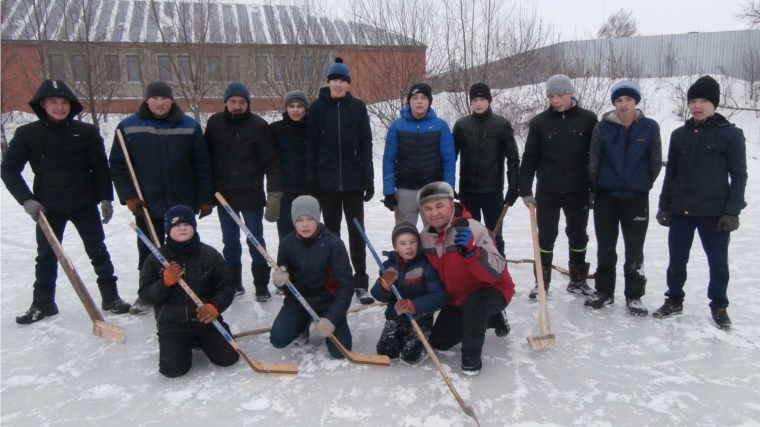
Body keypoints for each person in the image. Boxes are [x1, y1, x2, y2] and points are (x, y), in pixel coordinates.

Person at [1, 79, 131, 324]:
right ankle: (43, 303)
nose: (60, 107)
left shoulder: (86, 133)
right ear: (43, 104)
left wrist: (105, 198)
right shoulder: (28, 134)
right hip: (47, 206)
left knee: (97, 250)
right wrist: (27, 200)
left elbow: (100, 168)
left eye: (64, 102)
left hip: (83, 202)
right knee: (46, 255)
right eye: (53, 102)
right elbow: (8, 170)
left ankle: (110, 297)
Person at [109, 81, 214, 315]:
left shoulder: (189, 126)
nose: (159, 102)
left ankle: (191, 287)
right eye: (154, 98)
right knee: (149, 249)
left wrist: (205, 197)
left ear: (172, 100)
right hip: (148, 202)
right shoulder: (128, 126)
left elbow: (202, 165)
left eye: (164, 98)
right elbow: (118, 165)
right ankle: (146, 293)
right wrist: (128, 196)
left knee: (186, 246)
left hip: (182, 201)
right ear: (147, 100)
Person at [654, 76, 747, 330]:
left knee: (717, 262)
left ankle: (719, 305)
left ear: (714, 104)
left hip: (714, 213)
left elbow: (739, 175)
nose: (697, 105)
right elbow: (671, 172)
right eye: (693, 100)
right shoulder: (679, 135)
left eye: (703, 100)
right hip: (681, 210)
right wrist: (664, 205)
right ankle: (673, 299)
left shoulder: (731, 135)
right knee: (676, 260)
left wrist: (732, 212)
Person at [418, 182, 514, 375]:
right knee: (439, 342)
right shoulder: (425, 237)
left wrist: (472, 253)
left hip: (492, 287)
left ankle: (471, 360)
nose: (434, 213)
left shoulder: (474, 229)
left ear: (452, 205)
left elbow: (496, 269)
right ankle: (492, 318)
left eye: (439, 206)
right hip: (457, 296)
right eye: (428, 209)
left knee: (475, 305)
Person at [518, 74, 598, 299]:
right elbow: (530, 158)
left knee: (578, 234)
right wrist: (525, 190)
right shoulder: (540, 122)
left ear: (571, 93)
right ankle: (541, 282)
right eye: (551, 96)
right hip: (548, 191)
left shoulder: (588, 120)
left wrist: (594, 189)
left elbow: (596, 157)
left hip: (578, 190)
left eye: (560, 94)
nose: (555, 100)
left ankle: (578, 280)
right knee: (546, 236)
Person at [586, 80, 662, 315]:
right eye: (619, 100)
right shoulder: (602, 127)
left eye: (628, 99)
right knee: (606, 247)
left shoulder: (649, 127)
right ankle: (604, 291)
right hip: (607, 197)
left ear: (636, 101)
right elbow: (594, 161)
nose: (623, 104)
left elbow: (654, 162)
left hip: (636, 198)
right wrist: (595, 188)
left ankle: (634, 295)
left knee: (634, 249)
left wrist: (642, 182)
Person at [305, 57, 375, 304]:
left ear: (348, 84)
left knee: (357, 232)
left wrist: (368, 176)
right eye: (334, 80)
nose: (338, 84)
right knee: (331, 234)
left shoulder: (357, 108)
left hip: (354, 182)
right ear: (328, 82)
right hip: (327, 184)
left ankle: (361, 282)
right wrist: (313, 180)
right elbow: (310, 146)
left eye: (343, 81)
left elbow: (366, 142)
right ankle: (335, 281)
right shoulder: (317, 108)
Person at [138, 205, 238, 378]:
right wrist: (165, 282)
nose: (182, 228)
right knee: (173, 370)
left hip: (205, 320)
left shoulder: (209, 254)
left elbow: (227, 287)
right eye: (176, 225)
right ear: (168, 229)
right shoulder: (156, 259)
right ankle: (179, 342)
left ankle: (205, 338)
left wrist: (214, 307)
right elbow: (146, 294)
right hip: (173, 324)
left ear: (194, 227)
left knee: (228, 358)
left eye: (187, 224)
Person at [205, 82, 283, 301]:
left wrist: (274, 193)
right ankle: (234, 283)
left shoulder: (258, 126)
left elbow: (271, 163)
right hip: (224, 196)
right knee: (230, 242)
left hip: (251, 195)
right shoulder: (214, 124)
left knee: (255, 240)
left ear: (247, 103)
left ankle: (260, 285)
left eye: (242, 102)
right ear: (226, 102)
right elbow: (205, 160)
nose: (237, 106)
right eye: (233, 102)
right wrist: (206, 194)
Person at [269, 196, 354, 358]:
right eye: (299, 220)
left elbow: (346, 286)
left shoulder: (334, 244)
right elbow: (284, 281)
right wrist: (279, 281)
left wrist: (332, 318)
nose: (305, 224)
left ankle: (333, 321)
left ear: (318, 218)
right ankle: (302, 324)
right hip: (298, 301)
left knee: (340, 352)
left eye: (310, 218)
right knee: (278, 340)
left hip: (327, 302)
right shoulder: (287, 242)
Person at [453, 83, 520, 256]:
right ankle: (472, 270)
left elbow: (513, 158)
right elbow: (450, 157)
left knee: (494, 234)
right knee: (469, 233)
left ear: (488, 100)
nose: (478, 103)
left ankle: (498, 271)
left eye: (482, 99)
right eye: (474, 99)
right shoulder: (462, 126)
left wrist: (514, 187)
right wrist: (448, 185)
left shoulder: (502, 125)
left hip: (492, 191)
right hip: (467, 191)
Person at [370, 221, 446, 364]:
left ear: (419, 243)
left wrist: (415, 306)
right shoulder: (388, 266)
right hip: (395, 318)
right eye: (403, 243)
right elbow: (378, 296)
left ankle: (425, 338)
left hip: (420, 320)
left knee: (411, 357)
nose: (409, 247)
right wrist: (383, 286)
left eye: (413, 241)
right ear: (395, 246)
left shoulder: (427, 265)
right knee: (385, 353)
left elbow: (439, 297)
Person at [382, 83, 456, 226]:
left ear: (429, 101)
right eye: (415, 98)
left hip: (432, 190)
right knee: (405, 234)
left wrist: (449, 189)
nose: (419, 101)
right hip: (405, 189)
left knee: (434, 234)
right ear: (409, 101)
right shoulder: (397, 126)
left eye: (423, 97)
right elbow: (389, 159)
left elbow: (448, 159)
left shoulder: (441, 126)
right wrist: (389, 192)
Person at [271, 90, 309, 238]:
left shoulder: (312, 128)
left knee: (308, 230)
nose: (295, 110)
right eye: (291, 106)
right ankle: (285, 261)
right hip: (285, 189)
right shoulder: (275, 129)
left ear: (305, 108)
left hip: (308, 189)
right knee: (286, 232)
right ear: (286, 108)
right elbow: (271, 162)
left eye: (299, 106)